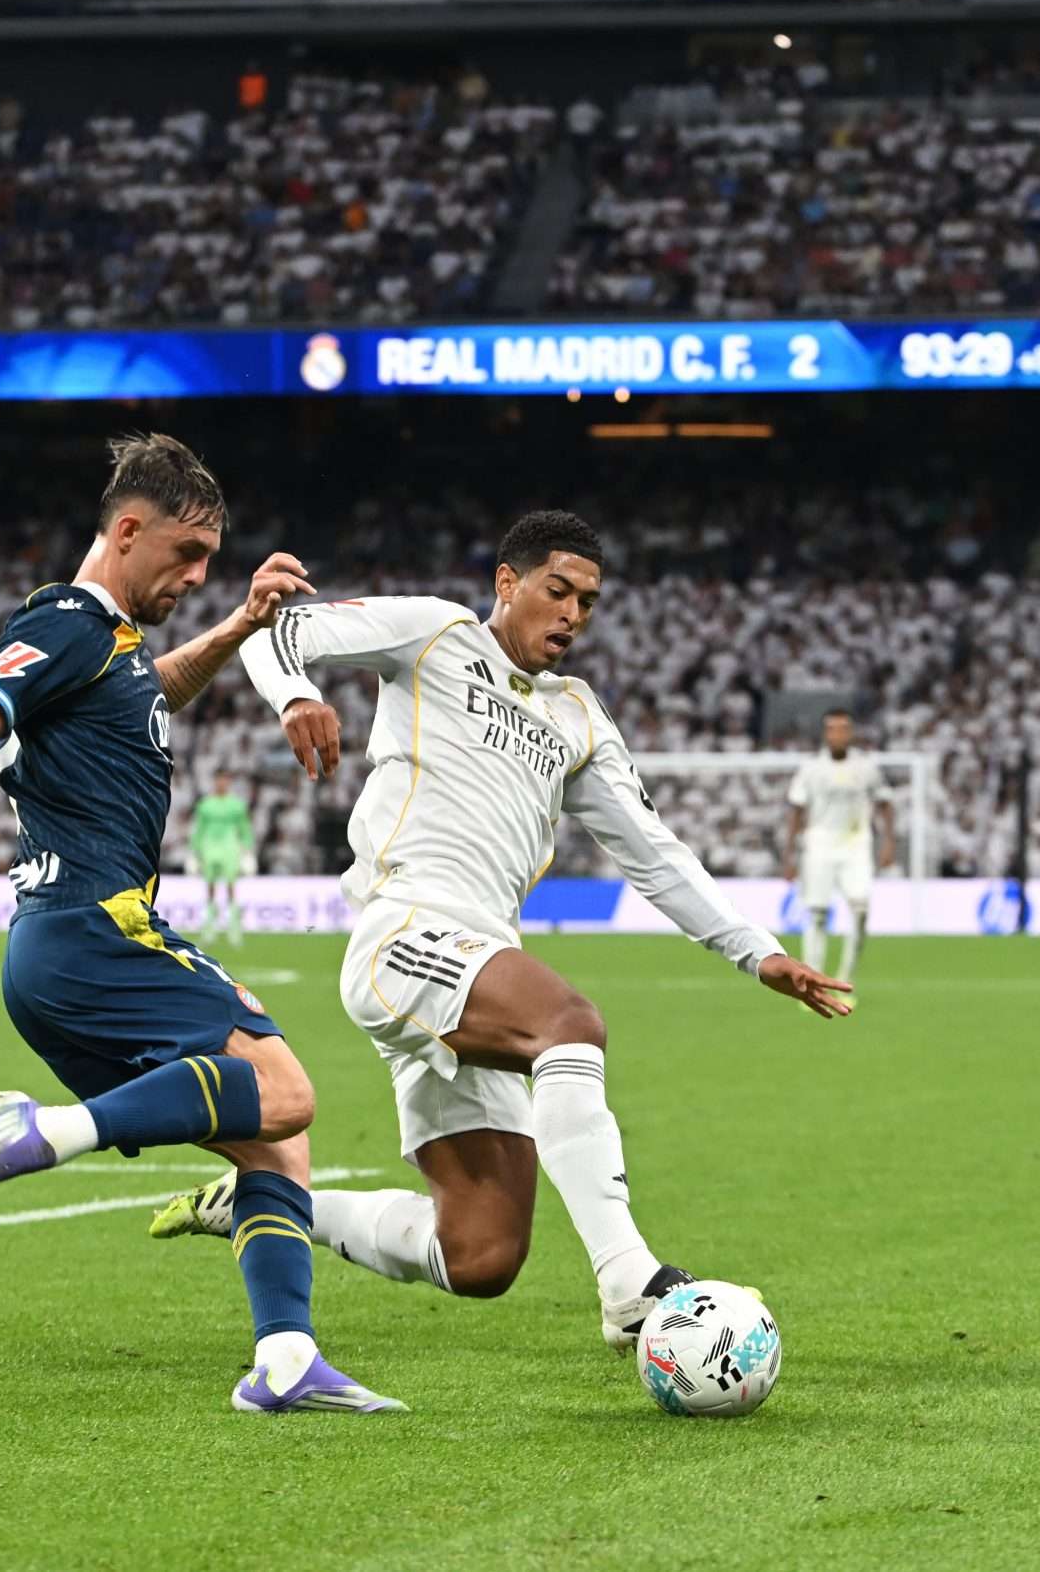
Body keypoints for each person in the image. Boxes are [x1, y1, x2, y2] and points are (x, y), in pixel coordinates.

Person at [154, 510, 852, 1353]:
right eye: (558, 591)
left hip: (479, 962)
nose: (573, 616)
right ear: (507, 583)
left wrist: (759, 952)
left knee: (480, 1254)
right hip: (405, 929)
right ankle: (630, 1281)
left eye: (589, 603)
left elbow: (653, 853)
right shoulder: (435, 634)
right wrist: (296, 693)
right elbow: (279, 630)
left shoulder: (580, 718)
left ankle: (261, 1203)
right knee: (570, 1025)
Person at [0, 433, 401, 1414]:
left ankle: (283, 1360)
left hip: (62, 955)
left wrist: (239, 624)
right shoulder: (66, 621)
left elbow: (151, 693)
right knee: (285, 1091)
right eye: (186, 557)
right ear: (127, 529)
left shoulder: (110, 648)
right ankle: (41, 1129)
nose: (197, 576)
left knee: (273, 1148)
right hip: (92, 930)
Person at [784, 708, 879, 985]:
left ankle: (845, 978)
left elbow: (884, 802)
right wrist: (789, 854)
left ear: (850, 732)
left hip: (856, 845)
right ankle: (812, 981)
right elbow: (796, 810)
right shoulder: (811, 768)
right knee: (817, 913)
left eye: (844, 728)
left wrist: (887, 844)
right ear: (826, 733)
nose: (838, 734)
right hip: (820, 844)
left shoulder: (866, 767)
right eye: (833, 729)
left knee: (861, 911)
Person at [187, 771, 255, 944]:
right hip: (209, 847)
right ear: (215, 781)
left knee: (231, 885)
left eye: (225, 780)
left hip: (230, 847)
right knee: (210, 886)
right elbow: (199, 828)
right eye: (219, 780)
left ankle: (234, 927)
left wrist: (248, 849)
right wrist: (193, 851)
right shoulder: (205, 804)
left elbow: (244, 828)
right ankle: (209, 928)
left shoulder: (236, 805)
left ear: (229, 782)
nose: (221, 783)